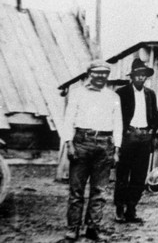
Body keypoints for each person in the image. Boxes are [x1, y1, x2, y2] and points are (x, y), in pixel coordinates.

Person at [61, 60, 122, 242]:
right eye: (96, 73)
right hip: (82, 142)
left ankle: (93, 228)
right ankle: (73, 228)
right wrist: (69, 144)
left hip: (105, 145)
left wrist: (117, 149)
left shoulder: (113, 97)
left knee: (99, 191)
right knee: (76, 190)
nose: (100, 77)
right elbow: (68, 120)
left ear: (107, 76)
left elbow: (118, 124)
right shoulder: (77, 94)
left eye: (104, 73)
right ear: (89, 74)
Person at [114, 58, 158, 224]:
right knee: (122, 174)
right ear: (132, 76)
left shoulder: (150, 94)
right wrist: (120, 138)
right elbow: (116, 117)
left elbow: (156, 116)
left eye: (144, 75)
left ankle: (131, 209)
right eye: (138, 75)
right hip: (128, 136)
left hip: (144, 138)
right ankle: (119, 208)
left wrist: (153, 132)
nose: (141, 78)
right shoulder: (121, 93)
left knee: (139, 175)